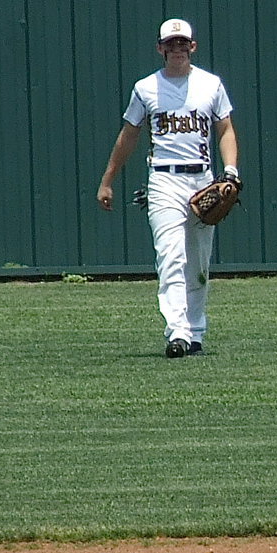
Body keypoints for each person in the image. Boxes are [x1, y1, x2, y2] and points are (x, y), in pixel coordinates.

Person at [97, 18, 240, 358]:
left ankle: (196, 332)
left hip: (203, 180)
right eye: (170, 44)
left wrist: (230, 171)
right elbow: (129, 135)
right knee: (171, 256)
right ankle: (177, 332)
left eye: (182, 43)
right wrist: (107, 180)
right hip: (163, 179)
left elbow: (225, 130)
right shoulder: (146, 88)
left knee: (199, 265)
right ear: (160, 48)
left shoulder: (211, 85)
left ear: (193, 46)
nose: (177, 49)